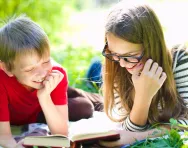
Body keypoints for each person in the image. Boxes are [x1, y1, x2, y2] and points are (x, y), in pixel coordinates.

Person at [0, 15, 103, 148]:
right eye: (30, 68)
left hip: (46, 92)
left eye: (46, 61)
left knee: (89, 104)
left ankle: (85, 94)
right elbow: (4, 137)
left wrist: (44, 97)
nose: (42, 72)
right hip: (32, 112)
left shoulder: (53, 72)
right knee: (83, 107)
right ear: (7, 68)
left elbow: (61, 135)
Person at [99, 0, 188, 147]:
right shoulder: (115, 66)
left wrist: (139, 136)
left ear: (151, 46)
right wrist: (143, 97)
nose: (122, 63)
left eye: (131, 55)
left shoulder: (179, 60)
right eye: (114, 54)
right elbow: (126, 130)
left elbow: (186, 124)